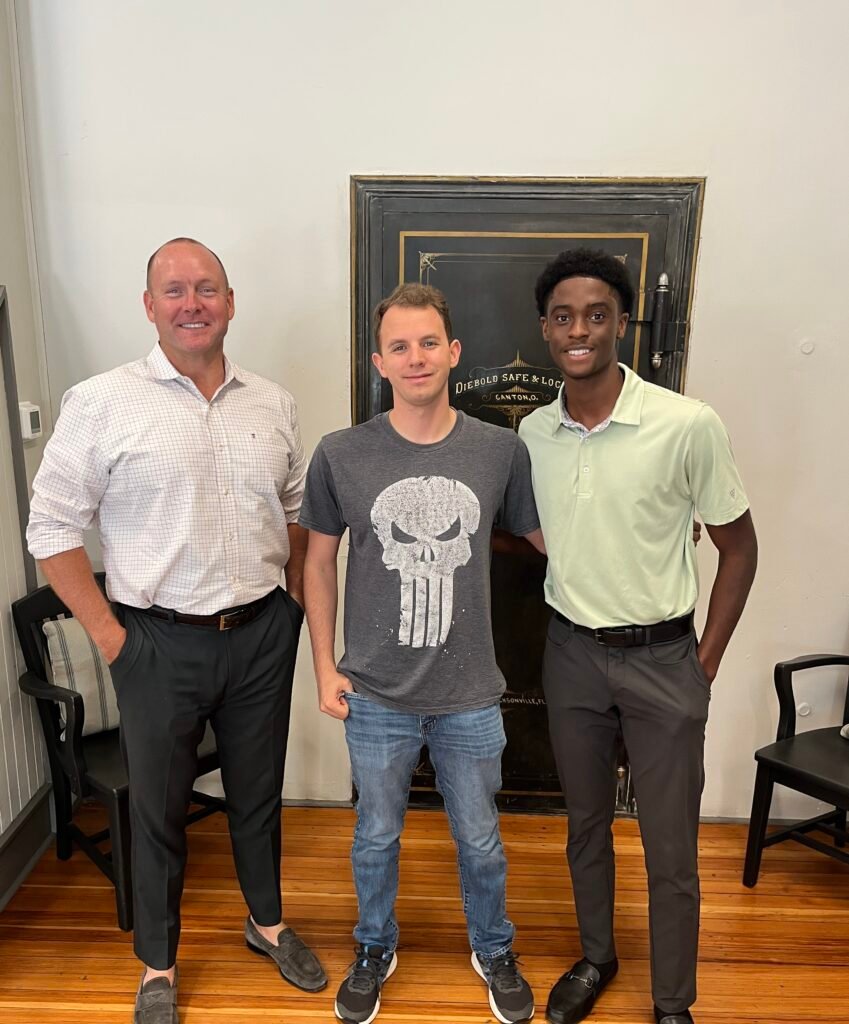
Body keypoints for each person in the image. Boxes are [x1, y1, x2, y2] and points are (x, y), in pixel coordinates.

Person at [26, 238, 327, 1023]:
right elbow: (50, 528)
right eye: (174, 290)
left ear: (230, 302)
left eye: (206, 288)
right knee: (156, 812)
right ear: (149, 306)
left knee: (258, 792)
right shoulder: (101, 402)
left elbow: (295, 509)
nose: (192, 303)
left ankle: (267, 924)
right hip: (155, 644)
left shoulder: (273, 403)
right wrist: (112, 639)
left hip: (261, 634)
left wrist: (292, 603)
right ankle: (157, 966)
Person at [518, 248, 758, 1024]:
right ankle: (596, 957)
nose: (578, 330)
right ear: (544, 328)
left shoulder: (685, 424)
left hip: (663, 659)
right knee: (585, 826)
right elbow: (538, 528)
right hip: (570, 655)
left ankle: (672, 1001)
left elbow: (739, 549)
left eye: (596, 315)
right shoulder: (532, 432)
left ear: (621, 323)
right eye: (562, 316)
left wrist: (702, 664)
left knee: (670, 846)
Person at [300, 283, 542, 1024]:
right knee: (375, 836)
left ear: (453, 352)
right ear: (379, 361)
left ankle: (493, 947)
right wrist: (324, 668)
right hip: (374, 692)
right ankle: (374, 946)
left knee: (481, 839)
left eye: (428, 342)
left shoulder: (500, 450)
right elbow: (316, 562)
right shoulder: (341, 453)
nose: (416, 358)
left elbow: (549, 540)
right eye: (399, 346)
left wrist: (657, 525)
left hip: (470, 691)